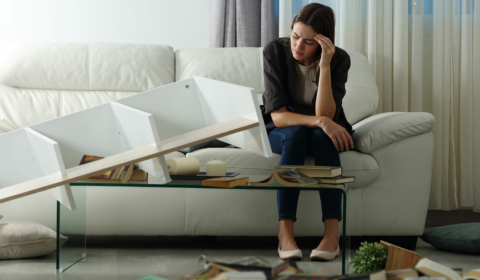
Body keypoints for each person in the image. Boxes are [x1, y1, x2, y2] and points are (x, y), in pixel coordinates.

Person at [261, 3, 355, 261]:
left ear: (323, 42)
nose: (298, 46)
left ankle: (332, 234)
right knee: (298, 134)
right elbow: (278, 116)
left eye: (308, 41)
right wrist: (320, 122)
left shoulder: (339, 59)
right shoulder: (274, 51)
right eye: (294, 36)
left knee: (320, 135)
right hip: (285, 130)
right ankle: (285, 232)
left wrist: (324, 66)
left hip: (320, 132)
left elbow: (326, 114)